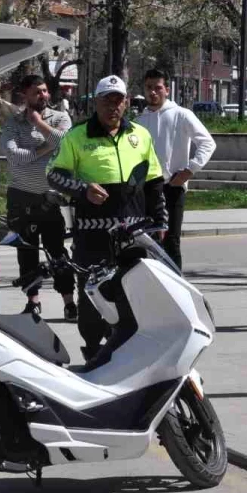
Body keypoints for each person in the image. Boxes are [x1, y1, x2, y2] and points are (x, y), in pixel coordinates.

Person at [47, 74, 167, 363]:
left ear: (125, 103)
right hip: (93, 235)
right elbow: (54, 174)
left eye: (118, 101)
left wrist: (160, 220)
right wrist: (83, 189)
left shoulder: (140, 135)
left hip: (133, 234)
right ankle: (93, 354)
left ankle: (133, 353)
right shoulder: (76, 136)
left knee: (135, 296)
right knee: (92, 299)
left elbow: (154, 181)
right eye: (107, 101)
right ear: (96, 103)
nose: (113, 107)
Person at [2, 74, 77, 320]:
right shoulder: (14, 122)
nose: (43, 95)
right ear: (25, 95)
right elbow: (14, 156)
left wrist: (38, 123)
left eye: (45, 91)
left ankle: (69, 301)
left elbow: (65, 142)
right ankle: (33, 301)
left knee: (58, 252)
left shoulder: (60, 117)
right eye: (37, 92)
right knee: (26, 252)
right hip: (21, 197)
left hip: (52, 197)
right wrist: (45, 148)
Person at [136, 69, 217, 271]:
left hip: (173, 186)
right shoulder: (138, 121)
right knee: (148, 242)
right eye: (149, 88)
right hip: (147, 189)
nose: (153, 92)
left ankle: (177, 287)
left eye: (158, 87)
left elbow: (207, 143)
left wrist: (189, 170)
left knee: (172, 240)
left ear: (167, 90)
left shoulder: (181, 115)